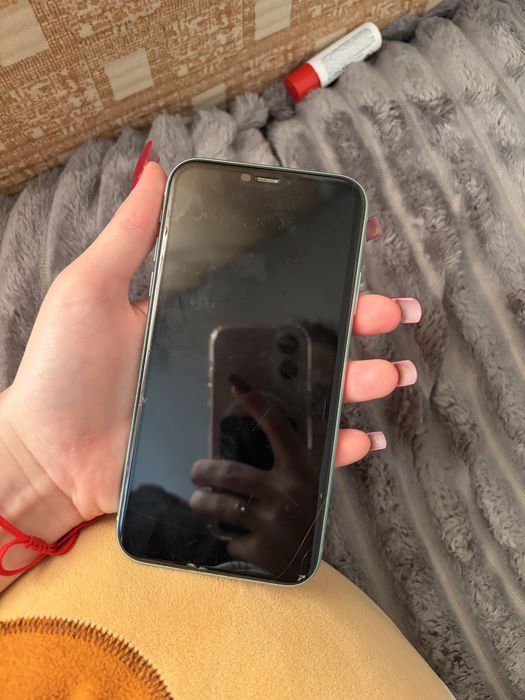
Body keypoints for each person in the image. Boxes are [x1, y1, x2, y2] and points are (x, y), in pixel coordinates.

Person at [0, 159, 420, 593]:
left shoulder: (168, 493)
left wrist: (33, 466)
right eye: (215, 281)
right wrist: (28, 459)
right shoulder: (151, 494)